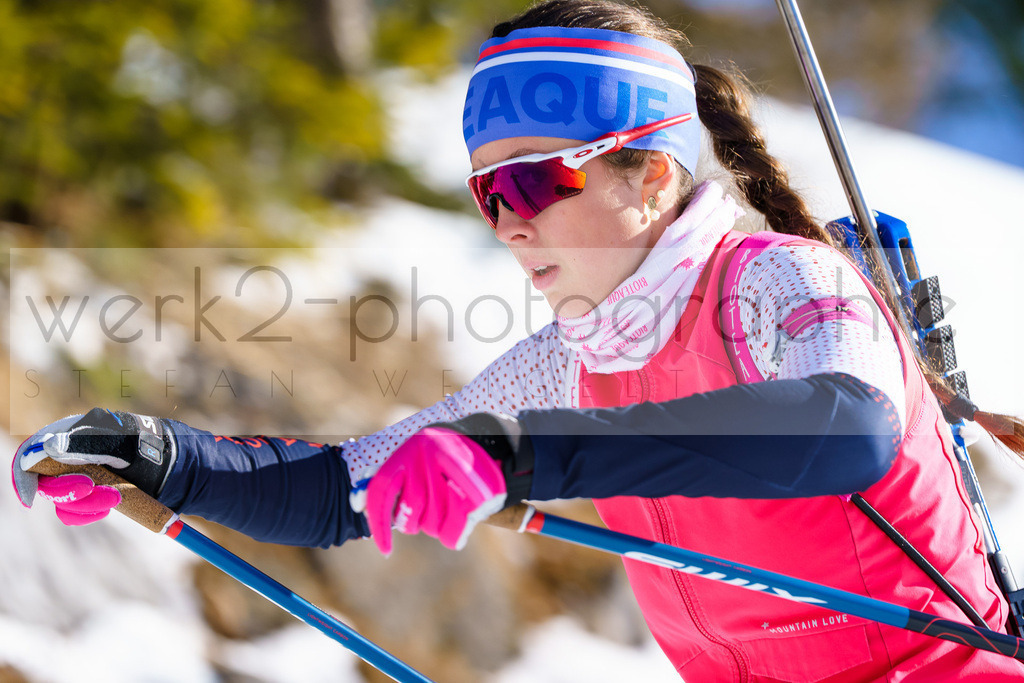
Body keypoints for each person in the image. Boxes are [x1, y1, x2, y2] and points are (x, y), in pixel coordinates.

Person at [13, 0, 1024, 679]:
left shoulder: (780, 279)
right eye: (488, 191)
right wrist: (165, 461)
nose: (509, 221)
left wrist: (514, 450)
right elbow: (341, 491)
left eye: (536, 180)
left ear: (652, 175)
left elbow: (843, 429)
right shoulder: (577, 353)